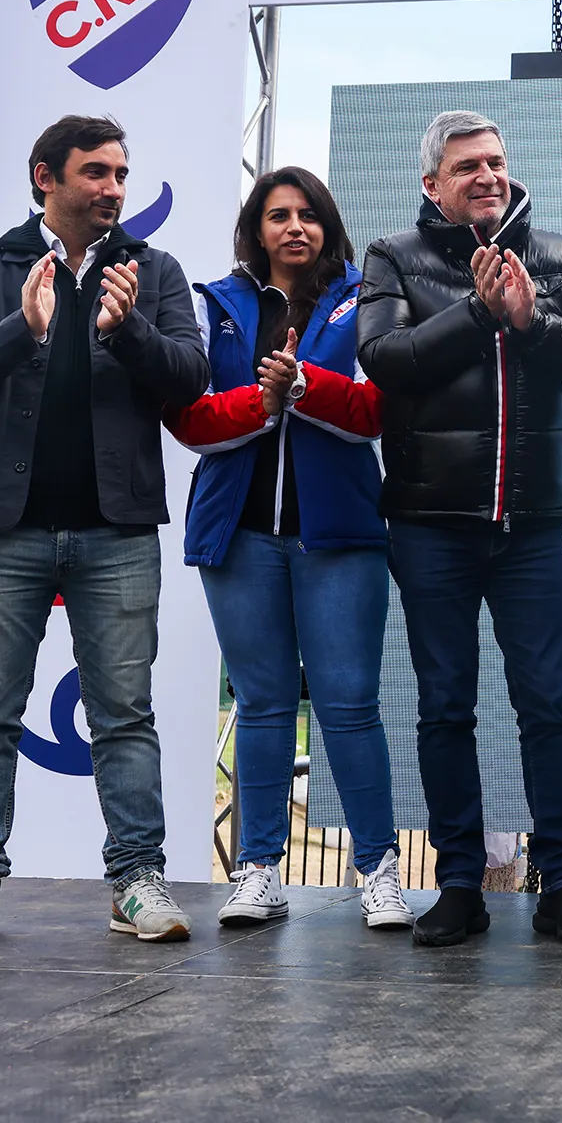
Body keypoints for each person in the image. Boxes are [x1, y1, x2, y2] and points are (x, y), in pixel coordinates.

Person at [357, 110, 562, 949]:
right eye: (467, 165)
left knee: (548, 707)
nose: (487, 176)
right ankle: (459, 885)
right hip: (430, 525)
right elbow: (385, 360)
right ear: (432, 184)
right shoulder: (393, 256)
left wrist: (530, 320)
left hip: (533, 525)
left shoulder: (558, 256)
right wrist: (479, 313)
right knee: (445, 707)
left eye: (496, 161)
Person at [0, 115, 207, 941]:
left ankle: (137, 882)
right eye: (96, 172)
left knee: (124, 715)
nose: (113, 188)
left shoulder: (153, 269)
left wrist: (127, 328)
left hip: (116, 531)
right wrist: (24, 327)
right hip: (3, 529)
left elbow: (191, 377)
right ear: (47, 177)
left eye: (121, 174)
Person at [166, 167, 410, 932]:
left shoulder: (366, 300)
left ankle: (379, 871)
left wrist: (303, 387)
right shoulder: (216, 303)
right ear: (257, 229)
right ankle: (259, 871)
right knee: (263, 705)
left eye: (308, 214)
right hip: (238, 536)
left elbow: (375, 413)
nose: (295, 227)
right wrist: (264, 402)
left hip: (340, 536)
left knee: (349, 706)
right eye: (278, 215)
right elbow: (191, 418)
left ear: (327, 224)